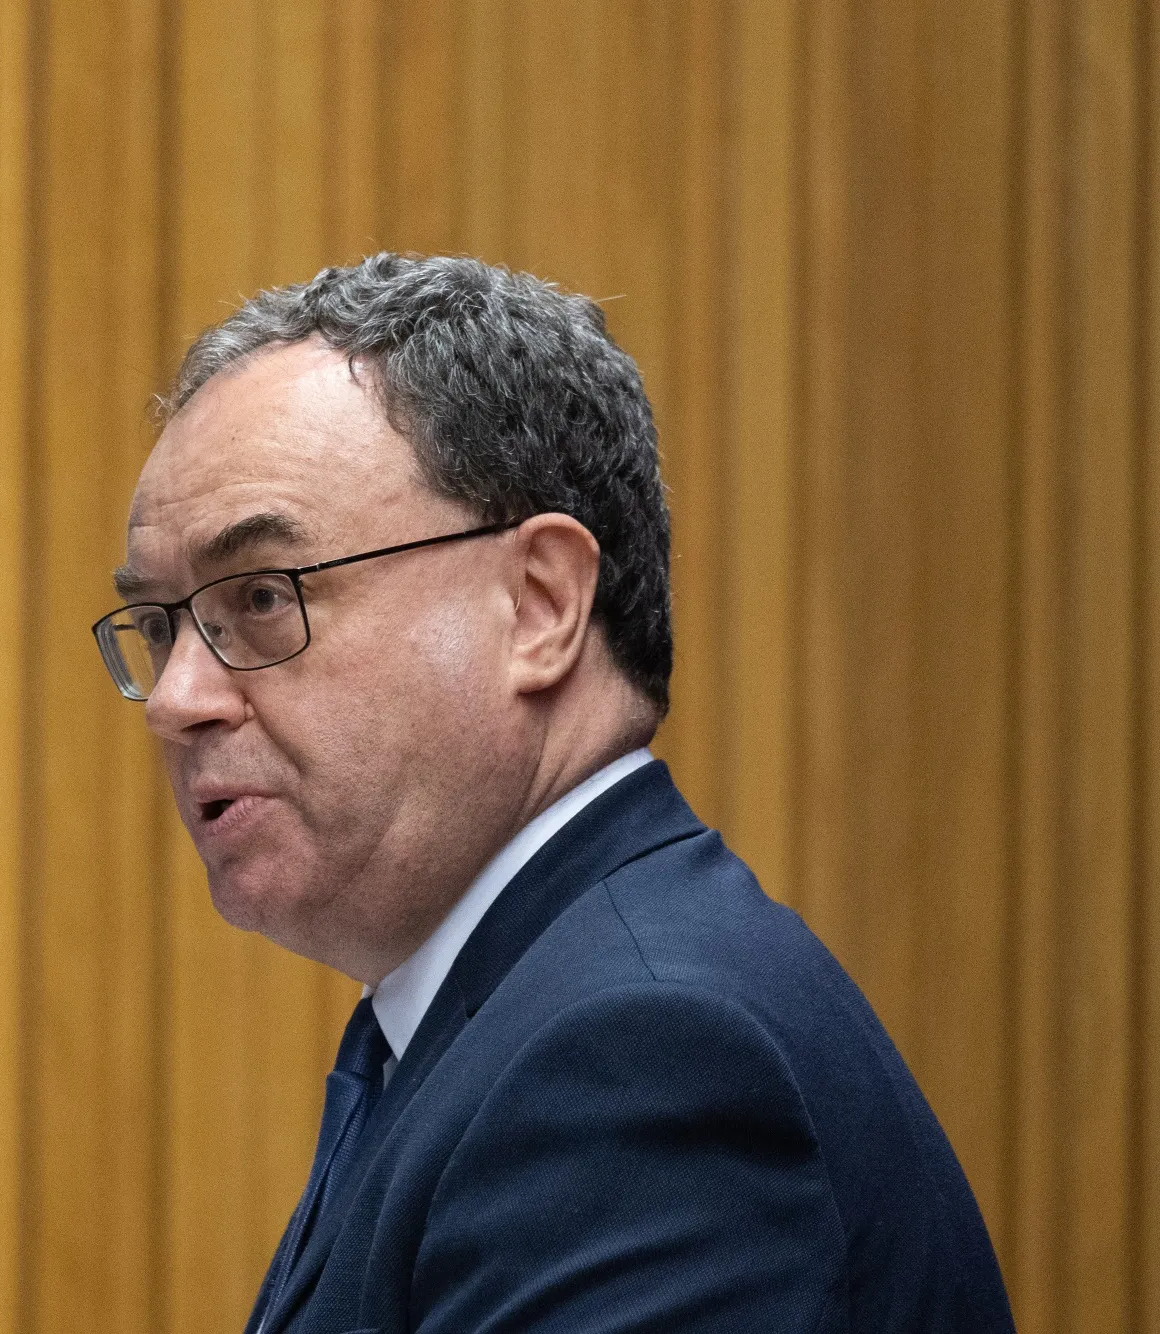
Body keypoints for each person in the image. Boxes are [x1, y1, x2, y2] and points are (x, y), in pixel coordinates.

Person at [90, 254, 1014, 1333]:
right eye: (159, 626)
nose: (177, 700)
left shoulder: (641, 1055)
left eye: (260, 597)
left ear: (538, 605)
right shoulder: (486, 1013)